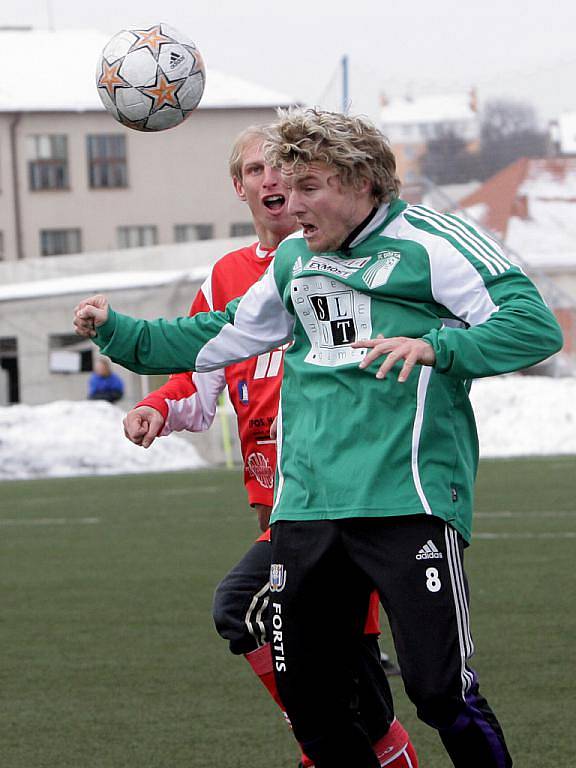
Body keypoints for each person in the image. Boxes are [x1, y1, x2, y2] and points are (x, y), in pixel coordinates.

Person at [73, 107, 564, 768]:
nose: (292, 204)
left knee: (437, 690)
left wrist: (436, 346)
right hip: (306, 509)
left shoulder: (431, 241)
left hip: (407, 499)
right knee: (311, 701)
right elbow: (213, 338)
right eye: (285, 184)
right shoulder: (294, 263)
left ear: (363, 181)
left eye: (310, 187)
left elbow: (534, 327)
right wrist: (117, 331)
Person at [119, 125, 416, 768]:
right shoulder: (228, 276)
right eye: (256, 169)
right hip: (279, 513)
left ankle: (326, 733)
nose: (271, 179)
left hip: (341, 503)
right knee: (353, 707)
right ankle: (329, 734)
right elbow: (198, 370)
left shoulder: (342, 264)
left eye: (285, 168)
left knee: (251, 619)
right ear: (240, 187)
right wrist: (155, 404)